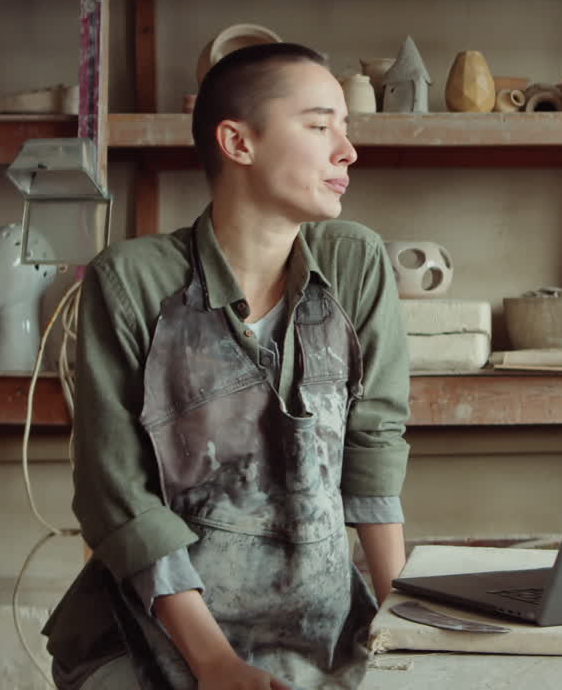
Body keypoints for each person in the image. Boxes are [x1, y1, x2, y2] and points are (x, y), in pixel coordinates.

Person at [41, 42, 411, 690]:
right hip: (155, 632)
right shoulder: (131, 281)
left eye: (345, 131)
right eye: (321, 126)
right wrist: (215, 665)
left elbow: (373, 446)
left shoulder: (356, 263)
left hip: (321, 631)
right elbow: (117, 497)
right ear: (238, 142)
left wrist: (408, 629)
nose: (347, 151)